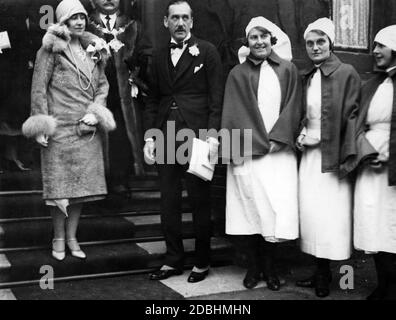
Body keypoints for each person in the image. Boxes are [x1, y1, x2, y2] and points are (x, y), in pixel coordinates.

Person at [22, 0, 115, 261]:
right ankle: (58, 236)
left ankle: (73, 236)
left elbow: (103, 87)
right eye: (73, 17)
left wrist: (95, 113)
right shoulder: (50, 49)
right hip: (59, 129)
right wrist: (40, 123)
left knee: (80, 190)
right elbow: (39, 87)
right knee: (60, 190)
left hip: (86, 129)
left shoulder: (94, 49)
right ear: (62, 21)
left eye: (82, 17)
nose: (79, 22)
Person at [144, 0, 223, 283]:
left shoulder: (208, 51)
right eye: (174, 18)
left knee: (200, 200)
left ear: (192, 21)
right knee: (169, 201)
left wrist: (213, 136)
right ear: (165, 22)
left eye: (185, 18)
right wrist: (150, 137)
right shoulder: (158, 54)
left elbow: (217, 98)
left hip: (199, 136)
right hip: (166, 135)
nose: (180, 23)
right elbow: (153, 98)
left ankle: (202, 262)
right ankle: (173, 259)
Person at [221, 17, 302, 290]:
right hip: (249, 152)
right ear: (247, 42)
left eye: (264, 36)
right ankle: (254, 268)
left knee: (274, 208)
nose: (259, 42)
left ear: (272, 38)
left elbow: (294, 106)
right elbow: (233, 113)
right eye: (254, 37)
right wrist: (248, 144)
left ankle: (271, 268)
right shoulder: (237, 74)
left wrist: (281, 136)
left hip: (279, 152)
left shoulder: (288, 70)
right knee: (251, 207)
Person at [296, 18, 360, 298]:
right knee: (311, 214)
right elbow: (305, 113)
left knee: (330, 215)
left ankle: (333, 275)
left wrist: (323, 138)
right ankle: (317, 270)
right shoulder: (307, 76)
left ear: (330, 43)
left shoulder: (347, 73)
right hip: (309, 157)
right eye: (310, 43)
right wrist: (300, 132)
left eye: (320, 41)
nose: (315, 47)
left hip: (332, 156)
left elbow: (352, 116)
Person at [88, 0, 152, 192]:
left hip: (124, 97)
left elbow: (146, 55)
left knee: (121, 139)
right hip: (94, 96)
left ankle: (120, 183)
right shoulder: (85, 25)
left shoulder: (133, 27)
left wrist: (136, 73)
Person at [353, 25, 396, 300]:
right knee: (373, 223)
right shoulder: (371, 84)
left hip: (392, 165)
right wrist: (365, 152)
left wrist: (390, 157)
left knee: (392, 225)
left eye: (381, 45)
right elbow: (355, 122)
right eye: (375, 46)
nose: (375, 51)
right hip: (370, 163)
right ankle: (383, 284)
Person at [0, 2, 32, 172]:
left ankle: (11, 156)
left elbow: (23, 29)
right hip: (4, 58)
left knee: (13, 111)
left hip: (16, 62)